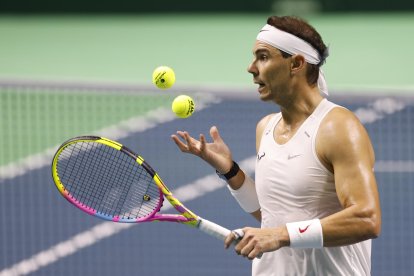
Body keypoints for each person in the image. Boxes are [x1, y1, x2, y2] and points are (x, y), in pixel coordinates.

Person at [171, 15, 381, 275]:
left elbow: (366, 219)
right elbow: (272, 216)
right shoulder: (266, 128)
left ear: (296, 63)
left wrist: (281, 235)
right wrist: (230, 171)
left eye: (263, 57)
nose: (251, 68)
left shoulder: (338, 128)